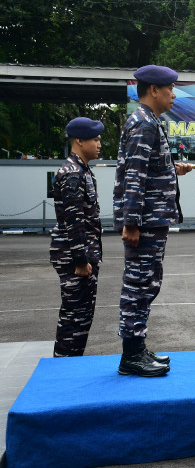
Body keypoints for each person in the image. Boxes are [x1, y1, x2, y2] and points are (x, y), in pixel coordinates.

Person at [113, 64, 195, 377]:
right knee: (138, 284)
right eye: (170, 88)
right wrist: (131, 222)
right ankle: (131, 356)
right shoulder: (144, 123)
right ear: (153, 90)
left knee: (147, 282)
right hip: (144, 222)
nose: (174, 94)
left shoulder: (149, 121)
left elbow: (147, 169)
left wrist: (175, 169)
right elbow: (134, 175)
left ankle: (137, 347)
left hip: (151, 219)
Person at [50, 117, 105, 357]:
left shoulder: (82, 170)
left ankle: (69, 364)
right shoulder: (73, 174)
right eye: (95, 139)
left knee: (81, 317)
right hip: (76, 259)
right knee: (74, 318)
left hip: (82, 256)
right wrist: (81, 261)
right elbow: (74, 221)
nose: (99, 144)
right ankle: (63, 367)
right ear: (79, 140)